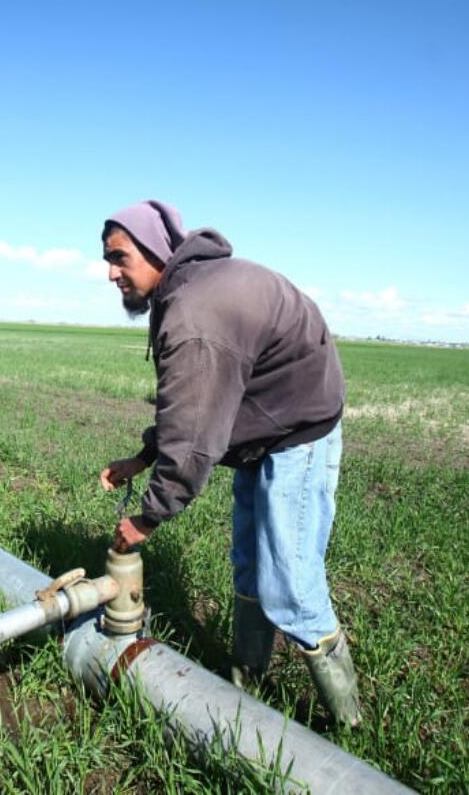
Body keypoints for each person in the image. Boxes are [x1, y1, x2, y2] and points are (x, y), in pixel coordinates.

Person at [96, 199, 361, 727]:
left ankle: (349, 726)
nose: (110, 273)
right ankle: (248, 686)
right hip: (261, 425)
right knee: (249, 565)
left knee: (291, 586)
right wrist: (143, 457)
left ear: (154, 252)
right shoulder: (187, 293)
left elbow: (193, 439)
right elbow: (194, 410)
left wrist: (146, 518)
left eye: (119, 258)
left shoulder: (194, 313)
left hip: (297, 430)